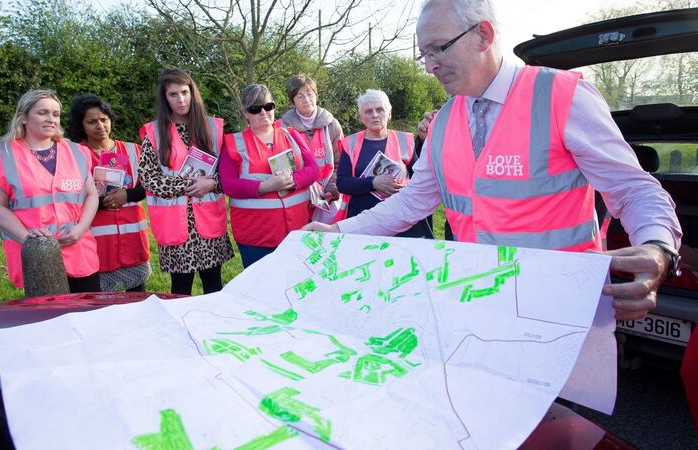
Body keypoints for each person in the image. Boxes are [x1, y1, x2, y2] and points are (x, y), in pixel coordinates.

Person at [304, 0, 682, 321]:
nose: (429, 66)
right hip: (481, 309)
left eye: (438, 49)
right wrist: (339, 233)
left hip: (560, 311)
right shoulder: (444, 121)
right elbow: (410, 202)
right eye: (424, 54)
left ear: (483, 35)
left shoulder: (563, 96)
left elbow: (633, 189)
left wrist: (657, 247)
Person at [0, 89, 100, 292]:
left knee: (87, 315)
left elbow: (91, 194)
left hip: (78, 251)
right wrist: (28, 240)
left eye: (55, 114)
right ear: (23, 117)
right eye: (42, 113)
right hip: (35, 257)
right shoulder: (0, 155)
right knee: (49, 319)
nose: (51, 119)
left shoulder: (77, 151)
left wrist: (80, 229)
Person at [138, 68, 234, 295]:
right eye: (173, 94)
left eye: (184, 92)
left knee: (214, 287)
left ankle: (213, 328)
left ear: (192, 92)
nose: (180, 100)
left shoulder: (213, 127)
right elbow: (148, 178)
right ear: (165, 98)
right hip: (176, 225)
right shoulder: (153, 132)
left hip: (208, 220)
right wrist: (188, 185)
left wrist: (213, 183)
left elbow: (229, 172)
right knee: (180, 290)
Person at [220, 84, 319, 267]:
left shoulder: (292, 135)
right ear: (245, 113)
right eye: (255, 109)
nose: (263, 113)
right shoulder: (233, 143)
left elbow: (313, 169)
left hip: (297, 230)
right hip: (256, 235)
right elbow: (228, 185)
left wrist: (294, 181)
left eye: (268, 106)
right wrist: (265, 187)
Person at [68, 94, 151, 292]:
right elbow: (68, 197)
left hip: (133, 242)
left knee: (137, 304)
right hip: (96, 245)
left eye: (104, 119)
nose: (100, 126)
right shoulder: (73, 154)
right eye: (92, 121)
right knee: (100, 309)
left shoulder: (134, 150)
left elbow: (151, 186)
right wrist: (98, 201)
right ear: (81, 125)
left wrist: (127, 195)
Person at [334, 89, 432, 238]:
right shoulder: (351, 142)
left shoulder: (405, 140)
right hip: (362, 221)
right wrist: (372, 182)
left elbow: (421, 179)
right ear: (361, 117)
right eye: (368, 111)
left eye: (380, 109)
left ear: (389, 113)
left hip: (400, 220)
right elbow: (342, 183)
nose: (374, 115)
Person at [276, 74, 343, 201]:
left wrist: (332, 188)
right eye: (300, 96)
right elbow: (282, 167)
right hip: (297, 194)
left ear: (316, 96)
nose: (306, 99)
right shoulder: (281, 128)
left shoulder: (332, 125)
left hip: (326, 194)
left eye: (310, 94)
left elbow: (341, 163)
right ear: (292, 102)